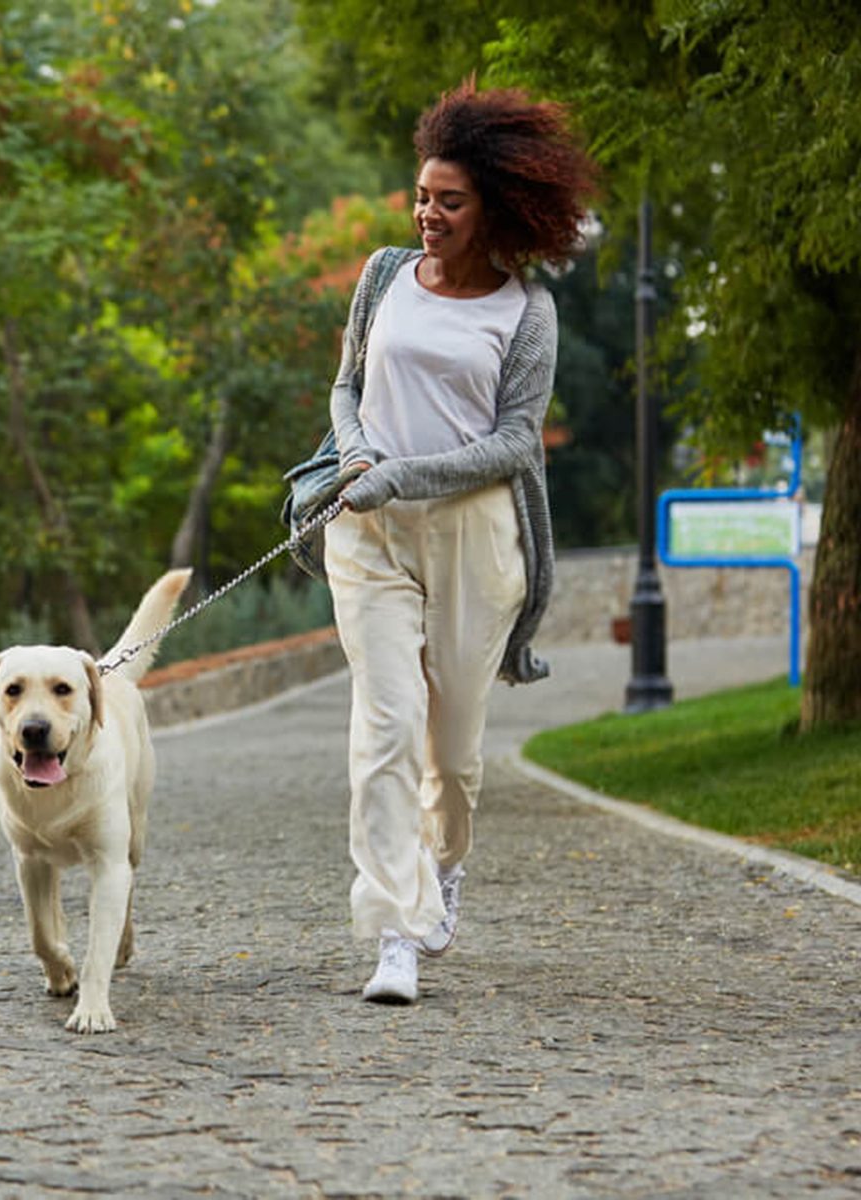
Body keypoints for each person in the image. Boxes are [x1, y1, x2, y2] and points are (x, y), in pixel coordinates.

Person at [324, 80, 597, 1004]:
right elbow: (345, 388)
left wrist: (407, 472)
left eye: (450, 201)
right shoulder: (382, 276)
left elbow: (516, 444)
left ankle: (444, 867)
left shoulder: (527, 315)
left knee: (454, 751)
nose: (427, 214)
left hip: (476, 538)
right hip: (370, 532)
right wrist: (360, 454)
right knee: (387, 729)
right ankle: (393, 931)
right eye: (421, 196)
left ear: (495, 211)